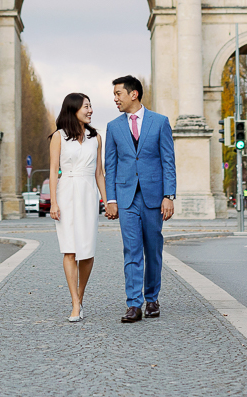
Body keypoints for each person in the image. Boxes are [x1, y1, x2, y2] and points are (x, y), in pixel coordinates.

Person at [105, 75, 176, 323]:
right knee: (131, 249)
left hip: (154, 197)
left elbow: (168, 161)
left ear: (133, 94)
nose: (115, 99)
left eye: (118, 94)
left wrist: (169, 196)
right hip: (126, 198)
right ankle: (133, 304)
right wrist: (110, 199)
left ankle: (152, 298)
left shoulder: (160, 122)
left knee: (153, 249)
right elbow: (110, 166)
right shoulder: (113, 127)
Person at [49, 93, 106, 322]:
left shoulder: (96, 138)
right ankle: (75, 303)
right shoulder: (58, 137)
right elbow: (54, 171)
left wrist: (107, 200)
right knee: (70, 249)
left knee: (88, 251)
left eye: (91, 106)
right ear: (73, 109)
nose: (90, 110)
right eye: (86, 106)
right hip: (66, 192)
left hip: (88, 192)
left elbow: (99, 173)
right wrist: (53, 201)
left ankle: (80, 297)